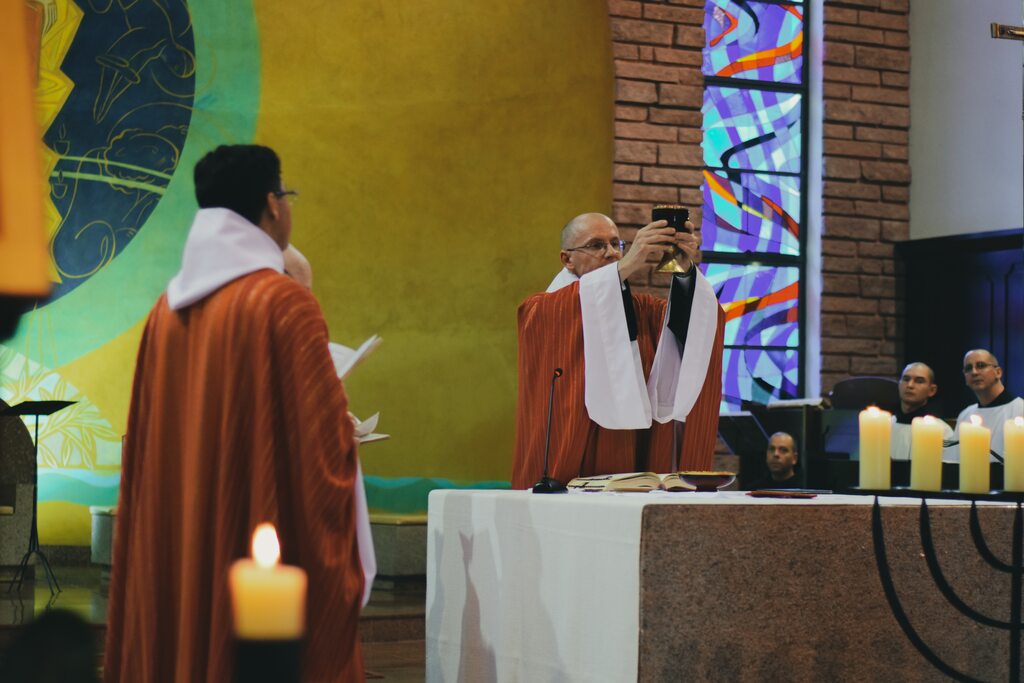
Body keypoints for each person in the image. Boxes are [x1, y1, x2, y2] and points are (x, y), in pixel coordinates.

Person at [104, 145, 367, 683]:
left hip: (183, 533)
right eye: (286, 196)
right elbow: (317, 447)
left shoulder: (166, 308)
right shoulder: (282, 301)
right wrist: (344, 428)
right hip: (253, 526)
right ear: (272, 205)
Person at [512, 212, 725, 488]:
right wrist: (628, 263)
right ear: (567, 259)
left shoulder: (642, 310)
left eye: (616, 244)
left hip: (635, 457)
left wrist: (682, 270)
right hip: (571, 459)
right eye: (597, 245)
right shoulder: (543, 309)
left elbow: (696, 330)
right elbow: (570, 308)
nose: (611, 253)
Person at [955, 349, 1024, 461]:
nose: (974, 372)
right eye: (968, 368)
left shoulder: (1021, 409)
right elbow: (955, 460)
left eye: (981, 365)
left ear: (998, 372)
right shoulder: (965, 415)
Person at [890, 362, 953, 461]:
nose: (910, 385)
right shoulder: (884, 426)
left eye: (919, 381)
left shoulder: (942, 431)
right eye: (906, 379)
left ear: (932, 390)